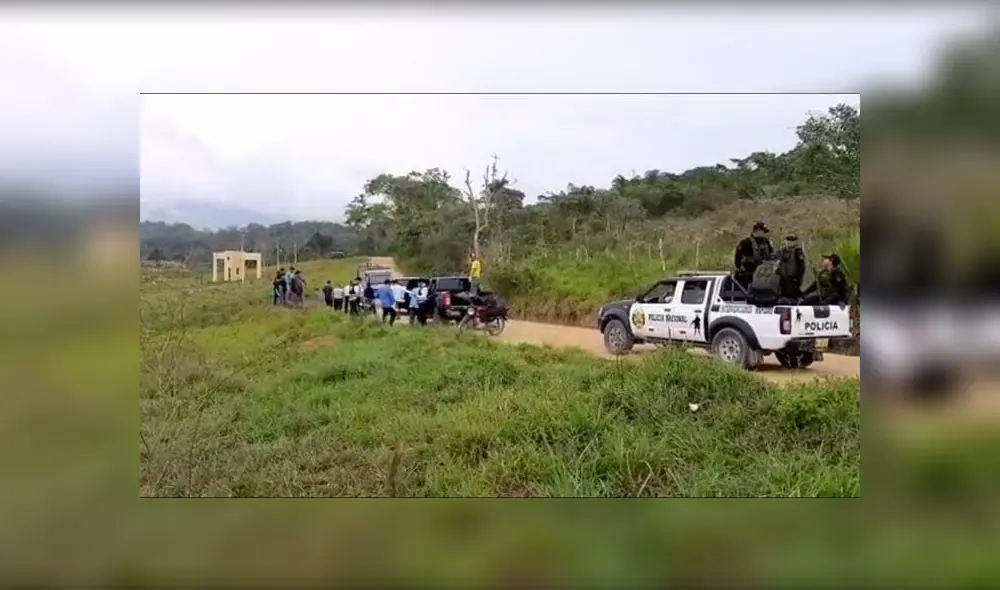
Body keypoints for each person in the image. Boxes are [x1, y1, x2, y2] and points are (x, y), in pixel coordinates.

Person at [733, 222, 775, 288]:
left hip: (763, 274)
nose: (765, 233)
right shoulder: (746, 243)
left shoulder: (766, 242)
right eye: (764, 232)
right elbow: (737, 258)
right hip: (749, 273)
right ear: (758, 230)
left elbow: (771, 255)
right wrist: (741, 267)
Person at [777, 235, 808, 302]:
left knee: (793, 297)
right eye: (788, 241)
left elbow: (802, 267)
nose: (789, 243)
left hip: (793, 280)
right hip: (783, 279)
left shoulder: (798, 252)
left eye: (792, 241)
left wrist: (797, 278)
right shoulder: (782, 251)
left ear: (795, 242)